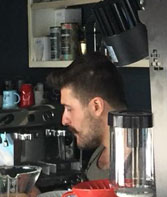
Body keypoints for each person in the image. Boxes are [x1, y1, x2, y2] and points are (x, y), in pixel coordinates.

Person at [50, 53, 128, 181]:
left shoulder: (145, 167)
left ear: (96, 106)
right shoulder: (98, 155)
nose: (64, 120)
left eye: (69, 109)